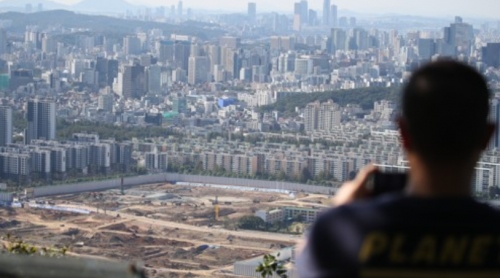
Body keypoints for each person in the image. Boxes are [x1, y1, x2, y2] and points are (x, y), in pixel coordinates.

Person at [296, 60, 500, 278]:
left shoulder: (345, 235)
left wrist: (340, 212)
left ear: (402, 132)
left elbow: (306, 265)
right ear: (487, 136)